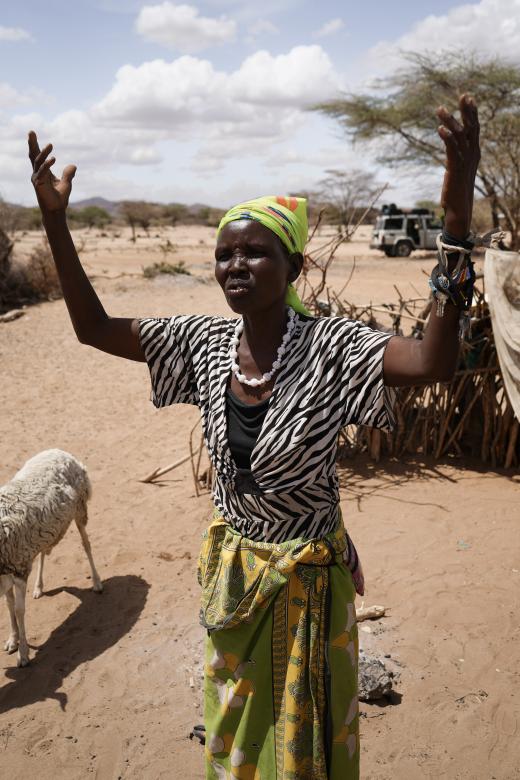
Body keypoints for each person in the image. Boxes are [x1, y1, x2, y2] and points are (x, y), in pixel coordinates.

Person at [28, 94, 480, 780]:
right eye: (224, 254)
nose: (236, 265)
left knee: (303, 746)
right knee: (236, 734)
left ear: (294, 268)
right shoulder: (203, 343)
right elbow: (93, 327)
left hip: (308, 582)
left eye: (256, 253)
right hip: (234, 577)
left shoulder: (331, 347)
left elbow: (433, 362)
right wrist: (55, 224)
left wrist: (454, 220)